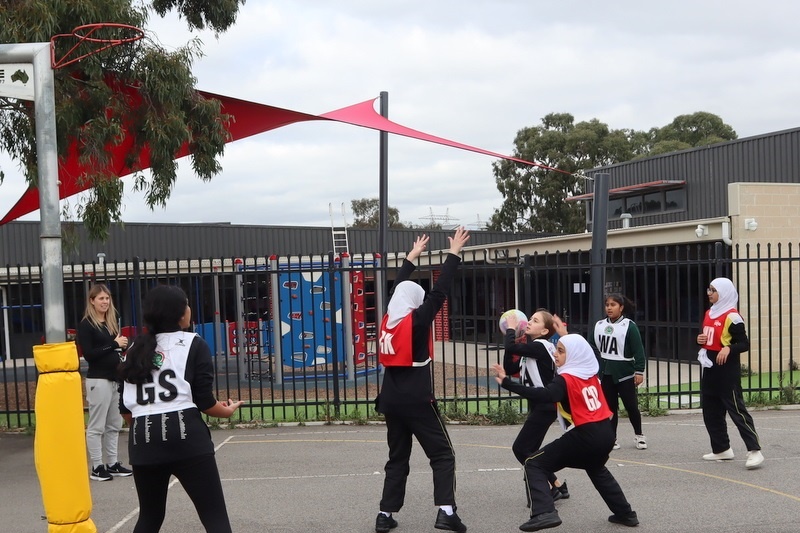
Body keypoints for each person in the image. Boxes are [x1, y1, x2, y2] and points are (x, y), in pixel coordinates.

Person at [118, 285, 243, 533]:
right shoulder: (193, 343)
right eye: (186, 304)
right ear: (179, 313)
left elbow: (126, 409)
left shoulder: (133, 349)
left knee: (149, 518)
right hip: (185, 433)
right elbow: (205, 402)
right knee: (214, 517)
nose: (189, 308)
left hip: (143, 436)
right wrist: (227, 411)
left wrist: (148, 429)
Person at [374, 228, 470, 533]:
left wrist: (409, 260)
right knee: (443, 454)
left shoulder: (388, 320)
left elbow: (396, 293)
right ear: (416, 302)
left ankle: (385, 514)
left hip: (390, 397)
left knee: (397, 457)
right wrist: (453, 253)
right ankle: (446, 512)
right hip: (417, 397)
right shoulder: (415, 322)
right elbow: (439, 292)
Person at [493, 334, 639, 532]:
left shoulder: (566, 378)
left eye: (561, 351)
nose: (555, 353)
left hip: (585, 434)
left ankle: (544, 513)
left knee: (534, 463)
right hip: (606, 433)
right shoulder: (590, 374)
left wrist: (508, 383)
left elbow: (546, 395)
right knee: (596, 468)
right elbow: (591, 353)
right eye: (556, 349)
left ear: (574, 355)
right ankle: (625, 514)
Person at [502, 309, 569, 504]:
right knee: (530, 451)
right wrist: (510, 343)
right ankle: (556, 485)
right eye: (529, 319)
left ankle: (546, 489)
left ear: (544, 331)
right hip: (540, 406)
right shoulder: (533, 350)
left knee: (520, 449)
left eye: (535, 320)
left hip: (544, 406)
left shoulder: (541, 347)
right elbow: (510, 368)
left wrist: (511, 330)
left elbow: (512, 346)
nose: (529, 322)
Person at [696, 277, 764, 469]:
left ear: (724, 292)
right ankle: (721, 449)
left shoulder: (732, 317)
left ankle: (755, 450)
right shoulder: (710, 312)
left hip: (726, 371)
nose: (709, 293)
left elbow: (744, 343)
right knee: (710, 411)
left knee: (736, 410)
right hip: (710, 368)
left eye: (713, 290)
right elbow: (708, 338)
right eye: (708, 289)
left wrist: (729, 349)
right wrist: (699, 340)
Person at [77, 283, 132, 482]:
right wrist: (113, 344)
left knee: (114, 424)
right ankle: (97, 466)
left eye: (107, 298)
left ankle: (113, 463)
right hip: (97, 380)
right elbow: (90, 355)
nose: (105, 302)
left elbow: (113, 350)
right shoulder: (86, 325)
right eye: (101, 298)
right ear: (92, 301)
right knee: (96, 426)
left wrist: (121, 346)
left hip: (114, 378)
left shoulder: (110, 324)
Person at [589, 294, 647, 451]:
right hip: (606, 374)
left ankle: (639, 435)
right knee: (610, 408)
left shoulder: (629, 326)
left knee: (631, 406)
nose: (609, 307)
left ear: (621, 308)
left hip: (625, 373)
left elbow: (638, 351)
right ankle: (612, 437)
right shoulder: (599, 325)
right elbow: (591, 347)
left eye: (613, 305)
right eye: (607, 304)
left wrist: (639, 371)